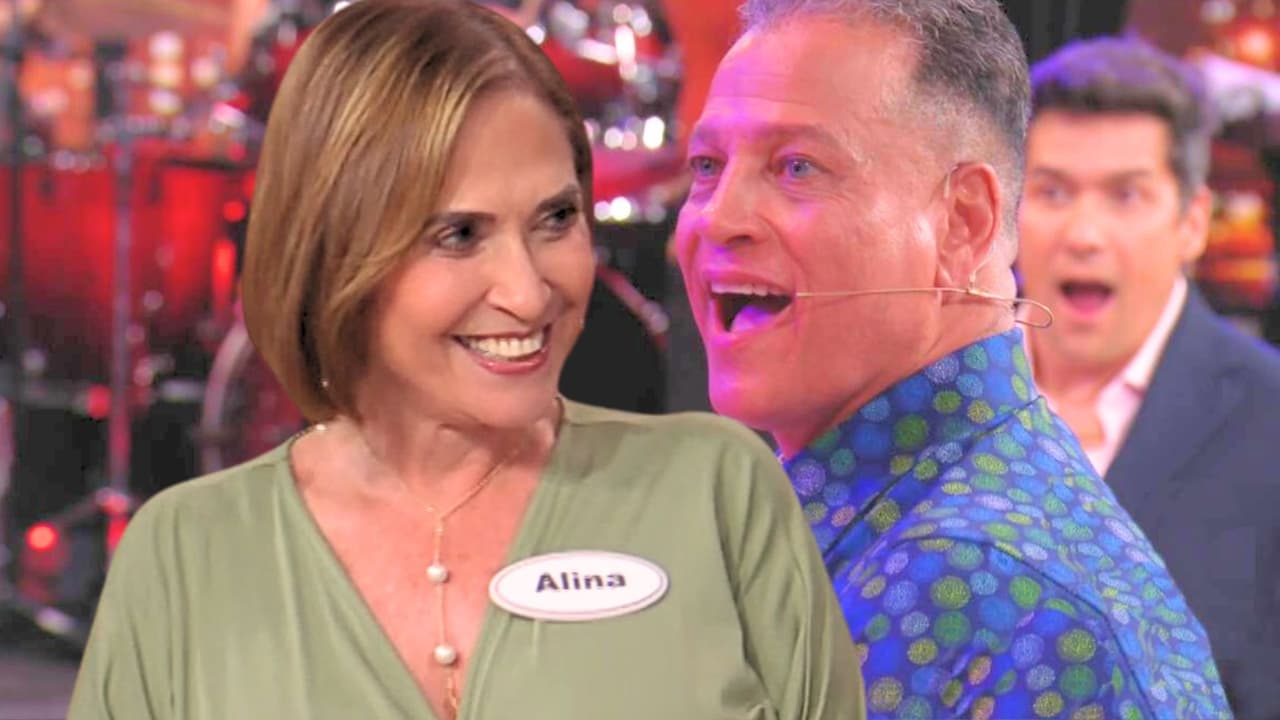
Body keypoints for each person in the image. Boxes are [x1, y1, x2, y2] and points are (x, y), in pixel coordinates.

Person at [66, 1, 866, 718]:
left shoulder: (719, 492)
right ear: (335, 249)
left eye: (556, 218)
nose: (527, 291)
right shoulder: (183, 556)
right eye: (458, 234)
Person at [673, 0, 1232, 717]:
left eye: (796, 167)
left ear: (963, 223)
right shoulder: (875, 520)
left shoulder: (994, 594)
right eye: (707, 166)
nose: (718, 218)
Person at [1019, 36, 1280, 719]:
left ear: (1192, 223)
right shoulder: (932, 396)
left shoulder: (1270, 424)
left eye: (1126, 196)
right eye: (1051, 191)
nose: (1083, 234)